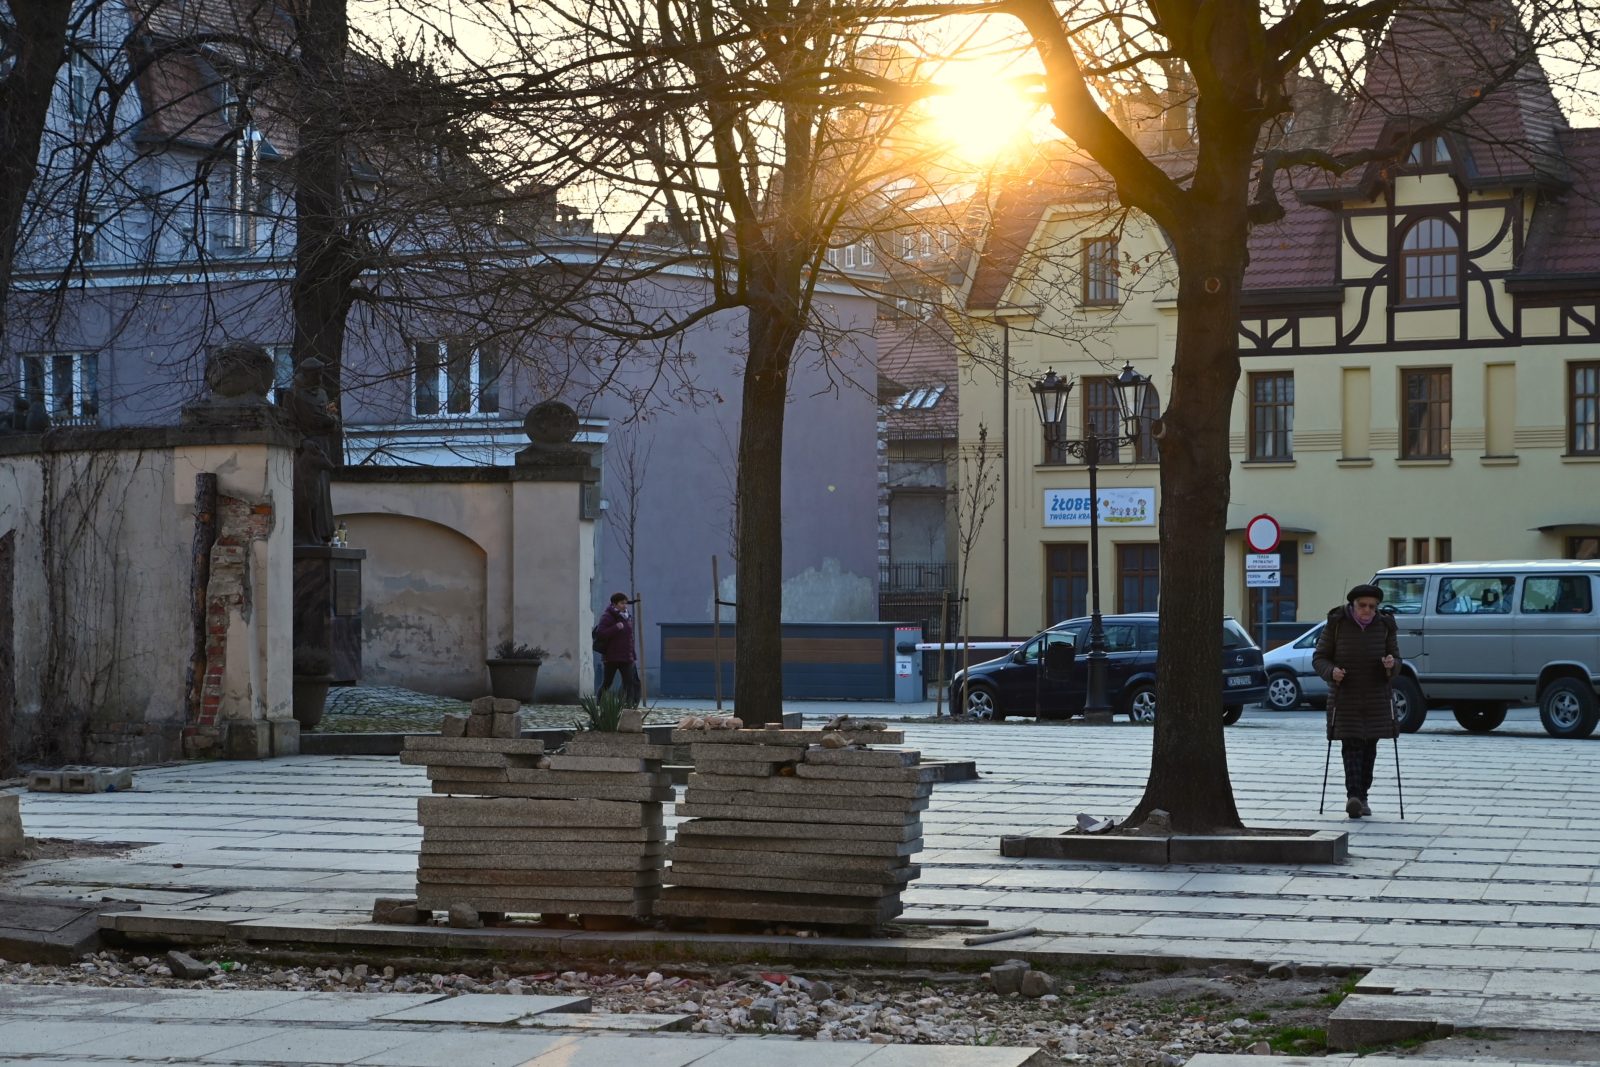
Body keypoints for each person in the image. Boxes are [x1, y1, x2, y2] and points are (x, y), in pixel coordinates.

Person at [1313, 583, 1399, 819]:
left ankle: (1363, 796)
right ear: (1352, 605)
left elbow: (1397, 659)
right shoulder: (1337, 624)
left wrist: (1391, 665)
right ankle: (1354, 796)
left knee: (1369, 749)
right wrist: (1332, 672)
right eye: (1363, 606)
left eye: (1372, 607)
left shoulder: (1385, 626)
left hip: (1376, 699)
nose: (1367, 611)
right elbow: (1319, 658)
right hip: (1345, 697)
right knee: (1351, 747)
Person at [595, 591, 640, 704]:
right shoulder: (608, 616)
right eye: (621, 603)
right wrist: (615, 628)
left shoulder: (627, 616)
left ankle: (629, 707)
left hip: (626, 657)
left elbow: (629, 638)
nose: (624, 605)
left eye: (625, 603)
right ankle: (599, 704)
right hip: (611, 657)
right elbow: (600, 633)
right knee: (607, 682)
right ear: (614, 604)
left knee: (629, 683)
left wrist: (632, 655)